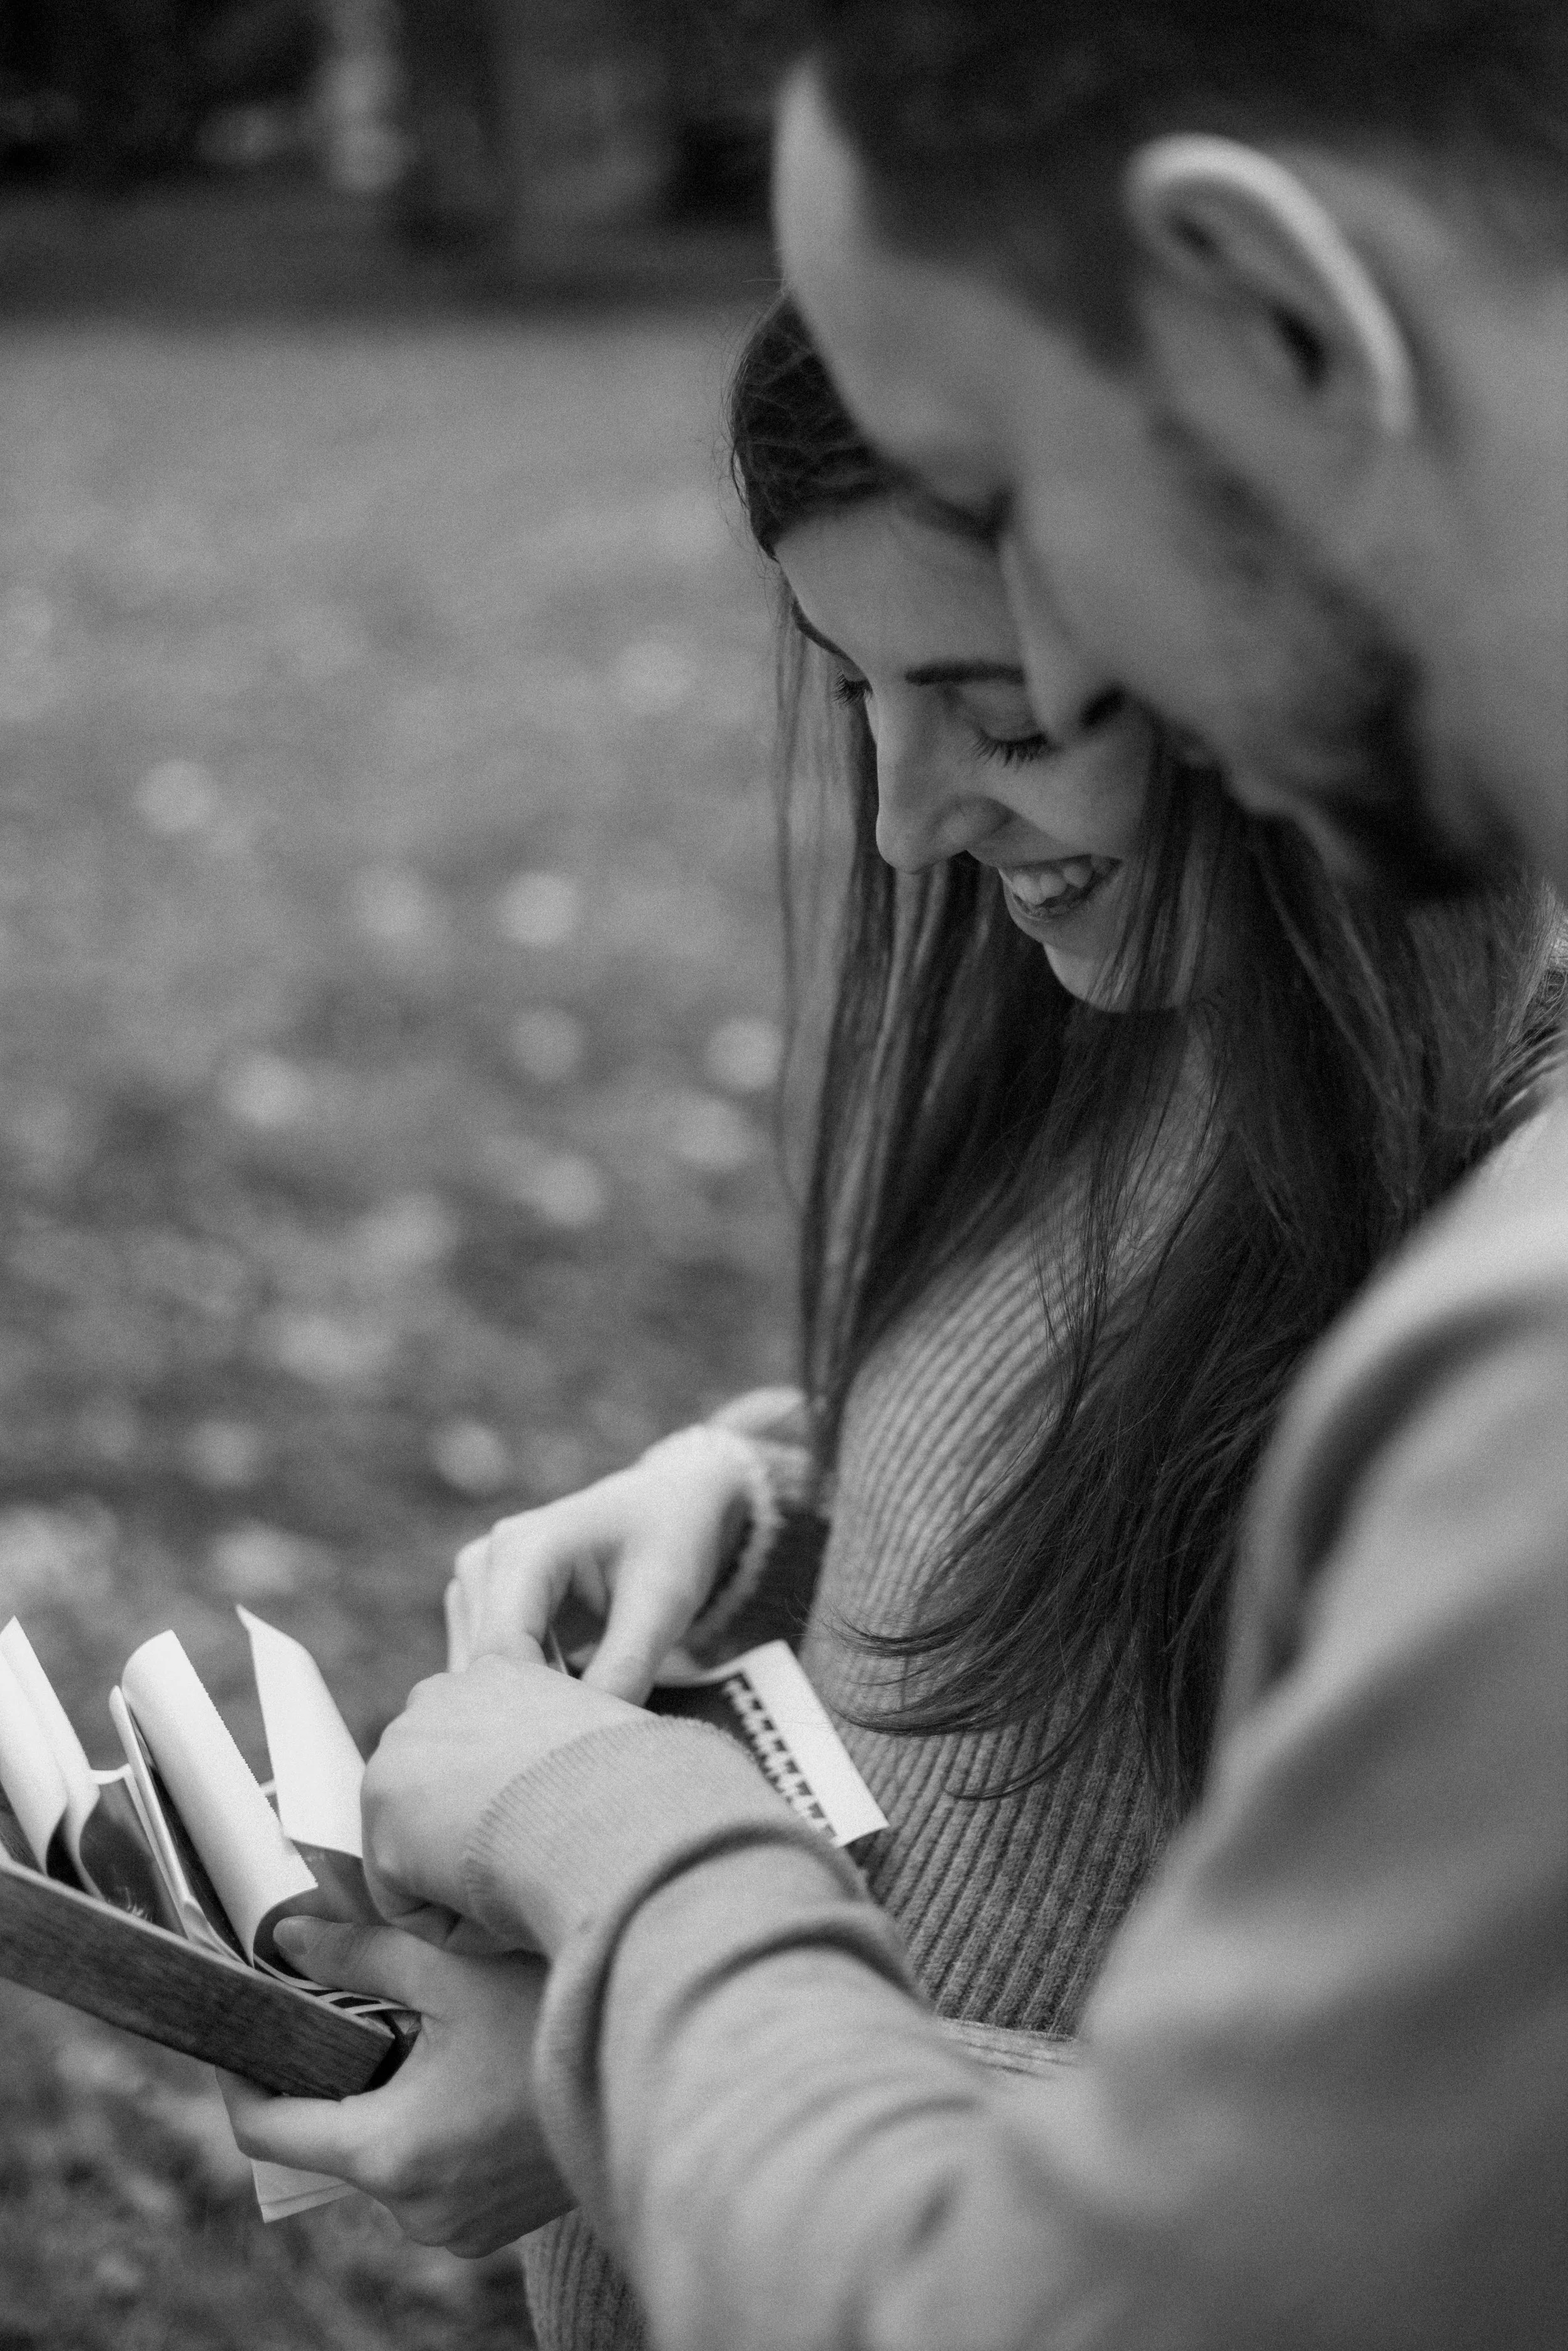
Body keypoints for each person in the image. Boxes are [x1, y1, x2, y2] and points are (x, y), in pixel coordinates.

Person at [330, 6, 1568, 2347]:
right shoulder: (1184, 1070)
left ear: (1279, 327)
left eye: (999, 492)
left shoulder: (1523, 1335)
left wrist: (600, 1859)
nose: (928, 799)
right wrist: (779, 1491)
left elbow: (1090, 2296)